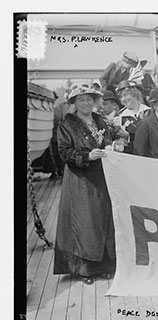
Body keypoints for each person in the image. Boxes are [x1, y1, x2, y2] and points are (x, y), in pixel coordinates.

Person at [53, 84, 115, 285]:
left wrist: (114, 146)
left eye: (89, 99)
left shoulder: (100, 120)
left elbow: (109, 140)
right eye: (81, 100)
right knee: (86, 222)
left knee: (104, 220)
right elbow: (64, 153)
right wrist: (87, 155)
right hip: (81, 179)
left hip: (102, 178)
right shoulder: (67, 125)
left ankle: (106, 265)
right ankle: (86, 269)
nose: (86, 103)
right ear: (74, 103)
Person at [114, 80, 150, 153]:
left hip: (150, 153)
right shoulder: (119, 116)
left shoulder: (149, 111)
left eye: (126, 95)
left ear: (135, 94)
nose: (124, 99)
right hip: (131, 154)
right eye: (121, 97)